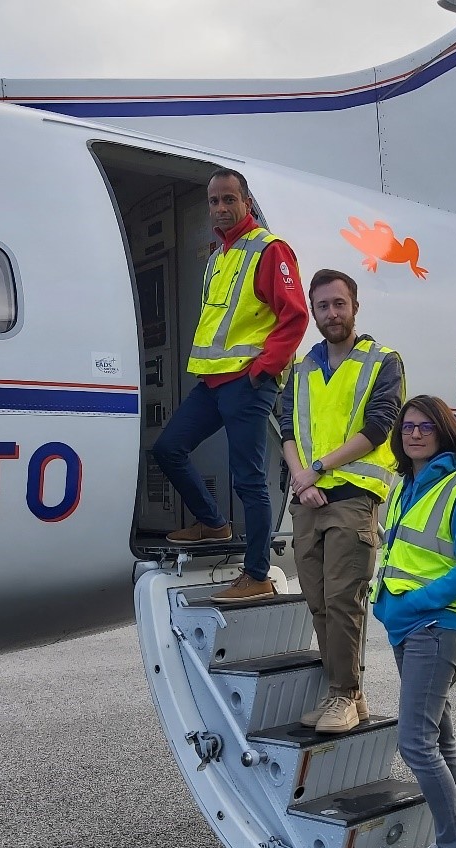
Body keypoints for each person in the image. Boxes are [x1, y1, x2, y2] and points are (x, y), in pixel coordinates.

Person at [154, 169, 309, 603]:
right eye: (214, 201)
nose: (220, 208)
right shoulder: (217, 257)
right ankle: (212, 522)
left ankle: (257, 573)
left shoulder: (268, 249)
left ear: (245, 202)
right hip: (214, 382)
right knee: (168, 448)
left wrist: (263, 370)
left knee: (249, 480)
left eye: (228, 200)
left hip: (247, 383)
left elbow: (294, 316)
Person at [371, 396, 456, 848]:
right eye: (407, 427)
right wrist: (387, 606)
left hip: (434, 627)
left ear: (444, 433)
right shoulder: (407, 486)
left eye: (425, 427)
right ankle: (448, 846)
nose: (414, 434)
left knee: (415, 743)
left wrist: (416, 603)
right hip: (407, 626)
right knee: (440, 741)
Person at [282, 269, 404, 734]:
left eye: (339, 304)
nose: (332, 313)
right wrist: (301, 478)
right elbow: (286, 427)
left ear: (355, 306)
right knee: (316, 600)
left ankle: (342, 695)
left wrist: (319, 469)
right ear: (313, 312)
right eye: (323, 306)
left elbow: (379, 425)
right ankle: (350, 694)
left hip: (353, 497)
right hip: (307, 497)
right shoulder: (303, 366)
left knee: (343, 599)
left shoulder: (382, 360)